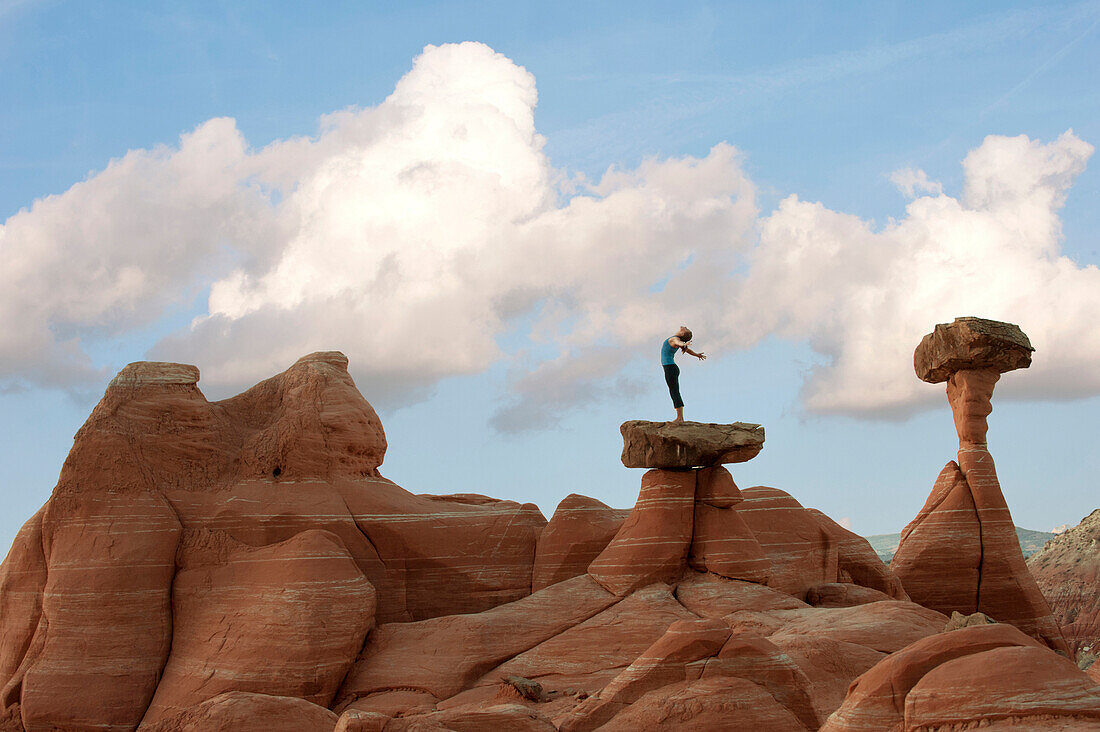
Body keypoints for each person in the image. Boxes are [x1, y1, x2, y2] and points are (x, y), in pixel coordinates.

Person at [661, 326, 706, 423]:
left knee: (674, 392)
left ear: (682, 334)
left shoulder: (674, 339)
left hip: (670, 368)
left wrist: (684, 343)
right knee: (674, 391)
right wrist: (697, 355)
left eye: (686, 329)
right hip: (671, 368)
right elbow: (687, 350)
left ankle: (680, 418)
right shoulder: (675, 339)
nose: (684, 327)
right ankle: (680, 417)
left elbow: (679, 343)